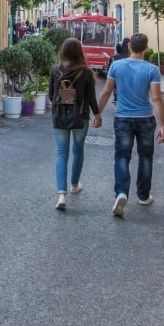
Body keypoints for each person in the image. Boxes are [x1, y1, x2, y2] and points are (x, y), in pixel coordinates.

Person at [95, 32, 164, 217]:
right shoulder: (152, 70)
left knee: (121, 157)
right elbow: (156, 98)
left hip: (123, 118)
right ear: (146, 49)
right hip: (145, 118)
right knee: (145, 157)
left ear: (129, 47)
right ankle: (143, 195)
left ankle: (121, 193)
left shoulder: (116, 66)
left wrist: (97, 113)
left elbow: (106, 91)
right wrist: (162, 125)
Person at [49, 38, 100, 211]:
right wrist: (97, 115)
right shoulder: (85, 72)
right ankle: (74, 185)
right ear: (80, 52)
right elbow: (92, 97)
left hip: (60, 118)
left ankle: (61, 194)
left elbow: (51, 95)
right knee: (78, 150)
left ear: (62, 52)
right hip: (81, 117)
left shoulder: (55, 71)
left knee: (62, 153)